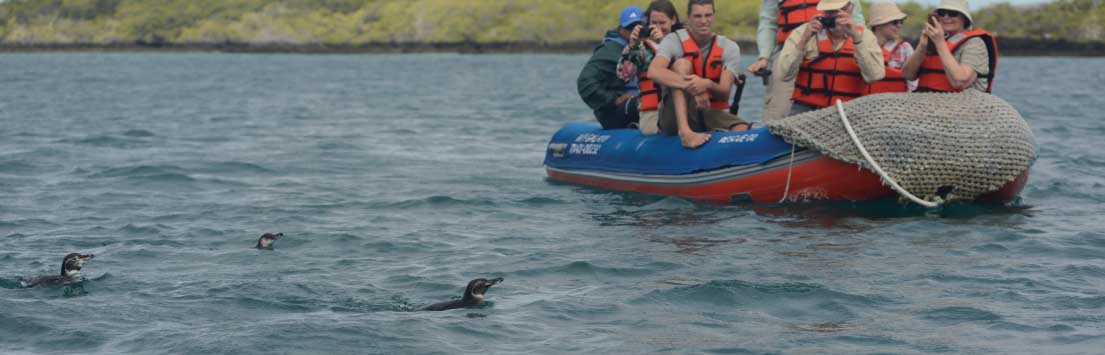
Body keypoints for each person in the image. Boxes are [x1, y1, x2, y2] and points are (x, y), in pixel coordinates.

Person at [647, 0, 750, 149]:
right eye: (697, 16)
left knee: (742, 128)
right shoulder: (673, 40)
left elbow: (724, 94)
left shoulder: (729, 47)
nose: (703, 21)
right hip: (673, 117)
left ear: (714, 17)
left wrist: (706, 84)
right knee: (682, 64)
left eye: (708, 15)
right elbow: (654, 71)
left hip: (707, 112)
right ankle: (685, 132)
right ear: (688, 18)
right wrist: (694, 87)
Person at [748, 0, 865, 121]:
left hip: (836, 45)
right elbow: (768, 22)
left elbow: (857, 18)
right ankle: (774, 130)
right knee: (779, 106)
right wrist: (764, 57)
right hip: (790, 50)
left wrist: (861, 45)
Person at [777, 0, 885, 115]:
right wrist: (804, 40)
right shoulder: (803, 32)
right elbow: (784, 75)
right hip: (806, 109)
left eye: (839, 11)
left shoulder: (865, 36)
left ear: (851, 9)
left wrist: (856, 39)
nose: (834, 17)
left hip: (850, 110)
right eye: (829, 12)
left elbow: (875, 76)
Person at [902, 0, 998, 93]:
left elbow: (960, 81)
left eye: (953, 13)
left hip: (964, 104)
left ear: (964, 18)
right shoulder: (932, 41)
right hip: (928, 102)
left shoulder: (975, 43)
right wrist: (922, 46)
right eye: (942, 13)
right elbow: (908, 75)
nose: (946, 17)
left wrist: (940, 43)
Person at [616, 0, 681, 135]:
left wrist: (664, 43)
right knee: (651, 130)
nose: (657, 28)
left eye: (662, 23)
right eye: (653, 23)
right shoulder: (641, 48)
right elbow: (623, 76)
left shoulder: (683, 42)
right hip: (652, 109)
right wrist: (631, 46)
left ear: (673, 20)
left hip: (679, 105)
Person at [577, 6, 647, 129]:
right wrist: (614, 99)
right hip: (615, 113)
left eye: (639, 27)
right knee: (642, 103)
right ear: (620, 29)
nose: (634, 31)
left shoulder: (650, 47)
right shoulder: (610, 51)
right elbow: (585, 81)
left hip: (642, 105)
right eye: (630, 28)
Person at [868, 1, 915, 92]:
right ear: (878, 25)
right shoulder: (862, 47)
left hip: (896, 105)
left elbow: (913, 85)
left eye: (901, 22)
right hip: (864, 104)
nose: (900, 26)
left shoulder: (905, 48)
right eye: (895, 22)